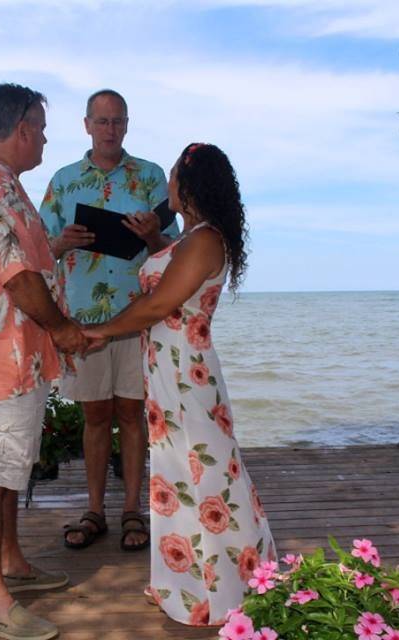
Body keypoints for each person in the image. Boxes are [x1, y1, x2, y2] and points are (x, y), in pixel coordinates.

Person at [83, 143, 277, 626]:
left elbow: (157, 305)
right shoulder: (192, 239)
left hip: (185, 373)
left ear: (188, 186)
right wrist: (153, 244)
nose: (166, 184)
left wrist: (99, 331)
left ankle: (226, 586)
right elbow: (170, 290)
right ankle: (189, 582)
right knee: (180, 473)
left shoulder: (205, 239)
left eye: (171, 176)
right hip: (171, 368)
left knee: (207, 474)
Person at [0, 83, 86, 640]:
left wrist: (57, 252)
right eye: (43, 130)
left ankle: (12, 564)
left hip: (19, 354)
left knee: (9, 468)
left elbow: (28, 262)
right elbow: (19, 278)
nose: (47, 140)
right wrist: (64, 329)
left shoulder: (7, 187)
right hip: (2, 357)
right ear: (23, 128)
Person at [39, 89, 180, 552]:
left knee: (132, 414)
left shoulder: (151, 176)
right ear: (86, 125)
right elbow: (38, 250)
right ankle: (95, 510)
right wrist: (63, 243)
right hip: (84, 320)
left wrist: (152, 234)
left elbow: (175, 252)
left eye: (118, 121)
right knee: (95, 415)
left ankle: (133, 510)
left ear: (127, 124)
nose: (111, 129)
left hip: (140, 315)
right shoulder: (63, 181)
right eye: (102, 122)